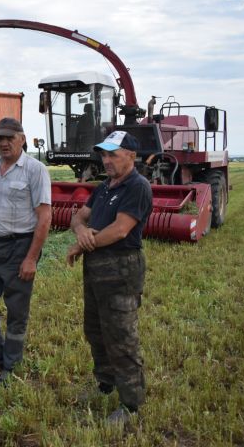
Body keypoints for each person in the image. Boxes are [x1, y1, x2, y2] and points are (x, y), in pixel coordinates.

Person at [66, 130, 152, 424]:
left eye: (113, 154)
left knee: (121, 336)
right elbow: (79, 216)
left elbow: (120, 230)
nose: (106, 160)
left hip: (121, 267)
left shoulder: (137, 187)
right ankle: (105, 385)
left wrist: (81, 243)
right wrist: (81, 231)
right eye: (103, 154)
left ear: (131, 156)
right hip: (95, 267)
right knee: (95, 330)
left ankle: (131, 404)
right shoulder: (104, 187)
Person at [0, 118, 52, 386]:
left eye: (9, 138)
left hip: (20, 246)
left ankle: (11, 364)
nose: (4, 143)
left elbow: (45, 216)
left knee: (16, 309)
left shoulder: (35, 170)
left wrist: (30, 258)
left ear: (22, 138)